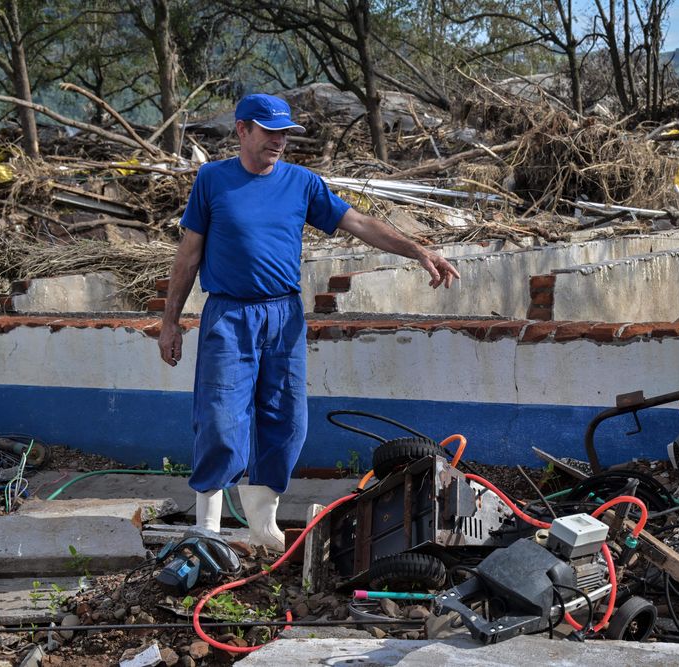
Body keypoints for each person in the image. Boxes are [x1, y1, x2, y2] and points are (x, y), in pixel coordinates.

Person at [158, 93, 460, 550]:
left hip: (283, 316)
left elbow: (360, 223)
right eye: (270, 132)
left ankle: (262, 527)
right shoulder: (213, 180)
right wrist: (170, 322)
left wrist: (418, 250)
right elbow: (188, 256)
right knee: (220, 420)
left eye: (285, 133)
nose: (279, 141)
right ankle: (208, 530)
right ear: (242, 130)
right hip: (229, 315)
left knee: (287, 421)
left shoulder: (301, 183)